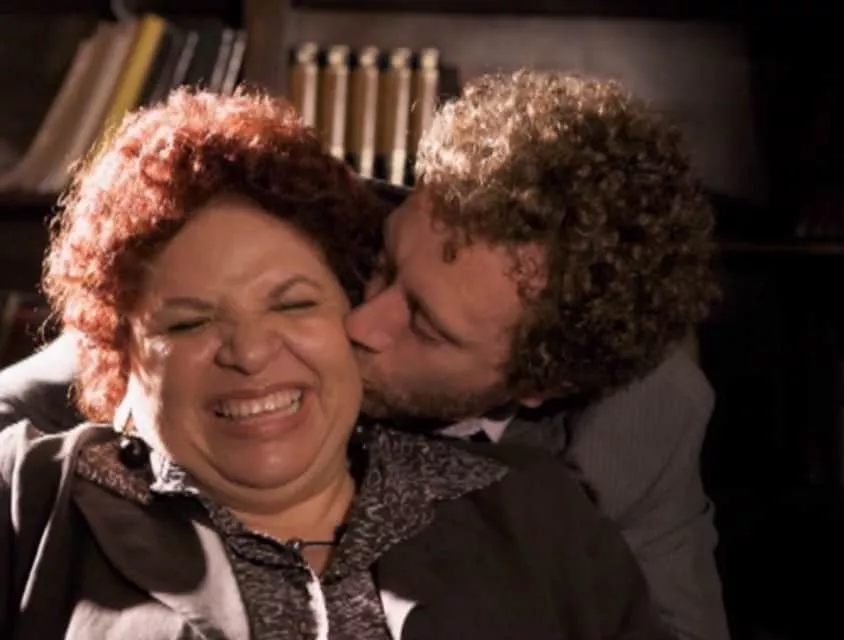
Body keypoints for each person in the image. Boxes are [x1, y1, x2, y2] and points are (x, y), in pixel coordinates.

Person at [0, 71, 725, 638]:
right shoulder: (318, 230)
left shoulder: (632, 426)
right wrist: (143, 410)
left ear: (537, 383)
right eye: (385, 266)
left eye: (426, 325)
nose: (362, 321)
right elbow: (88, 357)